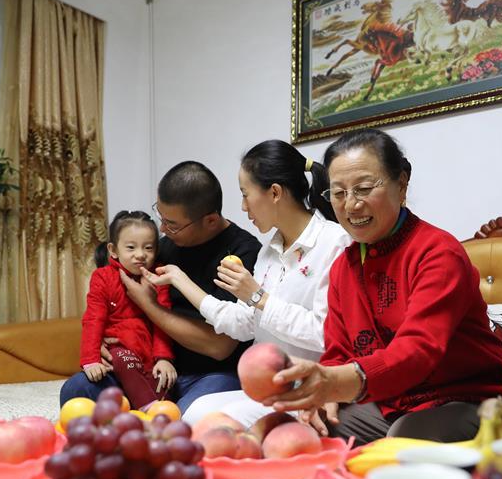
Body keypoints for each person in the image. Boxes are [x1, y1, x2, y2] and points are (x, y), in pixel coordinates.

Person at [260, 128, 502, 445]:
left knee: (405, 437)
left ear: (401, 184)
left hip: (462, 399)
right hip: (390, 402)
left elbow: (417, 352)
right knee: (300, 432)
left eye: (364, 189)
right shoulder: (343, 268)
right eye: (338, 193)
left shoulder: (437, 253)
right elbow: (338, 352)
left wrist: (337, 381)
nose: (351, 205)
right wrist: (326, 395)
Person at [145, 140, 351, 430]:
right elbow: (243, 325)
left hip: (308, 389)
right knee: (191, 415)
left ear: (275, 193)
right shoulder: (269, 252)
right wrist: (181, 280)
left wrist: (258, 297)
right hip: (266, 388)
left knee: (200, 425)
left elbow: (325, 333)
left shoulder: (335, 242)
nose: (242, 207)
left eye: (245, 194)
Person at [60, 161, 262, 413]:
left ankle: (145, 416)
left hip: (211, 373)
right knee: (76, 390)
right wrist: (101, 343)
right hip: (149, 367)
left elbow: (219, 346)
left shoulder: (244, 252)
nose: (163, 230)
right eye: (161, 217)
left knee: (186, 418)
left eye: (172, 224)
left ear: (210, 220)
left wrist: (149, 305)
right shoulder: (164, 247)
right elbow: (112, 301)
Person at [75, 211, 175, 409]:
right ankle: (148, 408)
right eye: (131, 247)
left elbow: (163, 323)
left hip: (148, 351)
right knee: (121, 359)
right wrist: (91, 359)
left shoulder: (159, 277)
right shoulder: (103, 277)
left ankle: (160, 407)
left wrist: (164, 359)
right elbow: (93, 319)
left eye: (148, 248)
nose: (140, 254)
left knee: (164, 378)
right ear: (113, 250)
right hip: (118, 348)